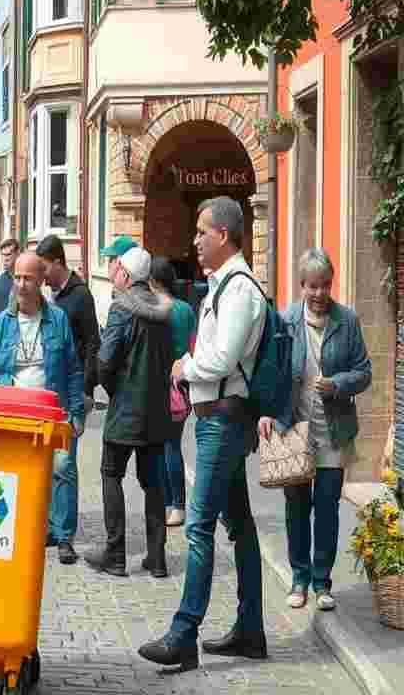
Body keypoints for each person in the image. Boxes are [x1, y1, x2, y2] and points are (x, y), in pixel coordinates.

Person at [140, 196, 267, 672]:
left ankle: (183, 633)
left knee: (198, 528)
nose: (193, 240)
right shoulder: (225, 285)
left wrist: (183, 366)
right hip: (219, 418)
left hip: (223, 421)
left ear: (225, 237)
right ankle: (251, 629)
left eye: (201, 232)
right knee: (241, 526)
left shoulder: (239, 290)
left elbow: (221, 358)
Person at [260, 248, 370, 612]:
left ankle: (323, 582)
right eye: (312, 287)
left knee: (326, 507)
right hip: (294, 428)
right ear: (302, 286)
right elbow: (270, 372)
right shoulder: (286, 320)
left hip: (333, 432)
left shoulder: (347, 320)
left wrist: (338, 383)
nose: (320, 294)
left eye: (325, 286)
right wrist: (266, 412)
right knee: (296, 506)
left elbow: (364, 371)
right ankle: (299, 578)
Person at [0, 252, 85, 564]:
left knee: (62, 468)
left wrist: (76, 412)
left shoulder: (58, 318)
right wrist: (11, 383)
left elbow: (72, 368)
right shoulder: (3, 323)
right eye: (17, 277)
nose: (22, 284)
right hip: (17, 413)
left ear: (41, 280)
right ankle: (28, 531)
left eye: (28, 278)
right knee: (21, 473)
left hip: (54, 409)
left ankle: (63, 536)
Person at [85, 246, 173, 578]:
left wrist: (111, 388)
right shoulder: (164, 309)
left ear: (123, 273)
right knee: (153, 484)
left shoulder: (122, 307)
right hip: (156, 410)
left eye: (114, 266)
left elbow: (106, 360)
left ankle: (116, 554)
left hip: (126, 409)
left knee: (111, 474)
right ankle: (157, 558)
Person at [35, 234, 100, 556]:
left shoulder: (80, 296)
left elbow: (92, 345)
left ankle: (64, 535)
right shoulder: (51, 298)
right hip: (48, 394)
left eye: (43, 267)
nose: (41, 275)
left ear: (58, 262)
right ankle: (49, 526)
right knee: (46, 464)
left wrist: (87, 390)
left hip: (71, 394)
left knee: (64, 465)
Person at [150, 256, 197, 527]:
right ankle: (172, 504)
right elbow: (192, 345)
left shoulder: (159, 309)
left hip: (162, 382)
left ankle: (175, 504)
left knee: (166, 447)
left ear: (154, 282)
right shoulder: (186, 309)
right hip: (183, 383)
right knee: (171, 444)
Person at [0, 238, 20, 321]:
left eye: (8, 254)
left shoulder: (27, 279)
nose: (5, 259)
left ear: (17, 254)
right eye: (3, 255)